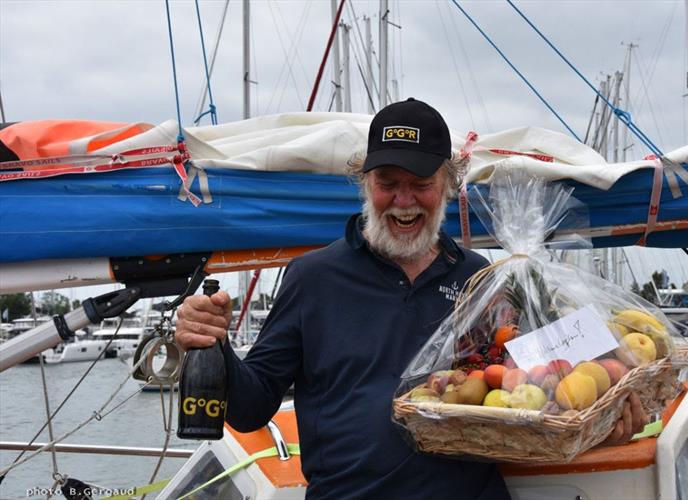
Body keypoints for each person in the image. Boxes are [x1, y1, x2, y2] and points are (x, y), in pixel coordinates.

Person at [175, 98, 646, 499]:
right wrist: (210, 346)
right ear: (365, 184)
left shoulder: (479, 280)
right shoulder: (312, 277)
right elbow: (251, 408)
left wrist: (602, 420)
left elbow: (534, 396)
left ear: (449, 185)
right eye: (388, 183)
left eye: (421, 183)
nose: (404, 200)